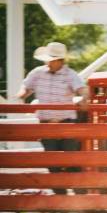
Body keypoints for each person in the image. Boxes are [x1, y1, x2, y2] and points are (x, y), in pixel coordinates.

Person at [16, 42, 89, 195]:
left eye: (51, 59)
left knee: (71, 160)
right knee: (52, 162)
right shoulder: (37, 73)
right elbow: (26, 87)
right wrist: (22, 94)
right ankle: (61, 195)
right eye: (47, 59)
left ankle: (79, 195)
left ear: (60, 61)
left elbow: (83, 89)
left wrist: (84, 98)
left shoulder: (70, 74)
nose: (47, 62)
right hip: (46, 125)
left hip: (66, 124)